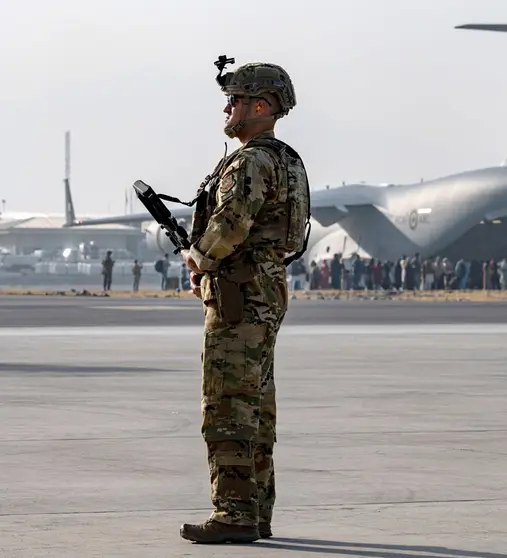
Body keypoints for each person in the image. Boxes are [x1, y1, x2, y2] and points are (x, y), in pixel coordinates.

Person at [179, 57, 310, 544]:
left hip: (239, 293)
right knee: (257, 406)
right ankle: (257, 511)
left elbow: (230, 226)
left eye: (235, 100)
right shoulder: (286, 159)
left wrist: (200, 260)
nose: (227, 108)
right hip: (264, 287)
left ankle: (235, 513)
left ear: (262, 105)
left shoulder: (252, 160)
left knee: (228, 404)